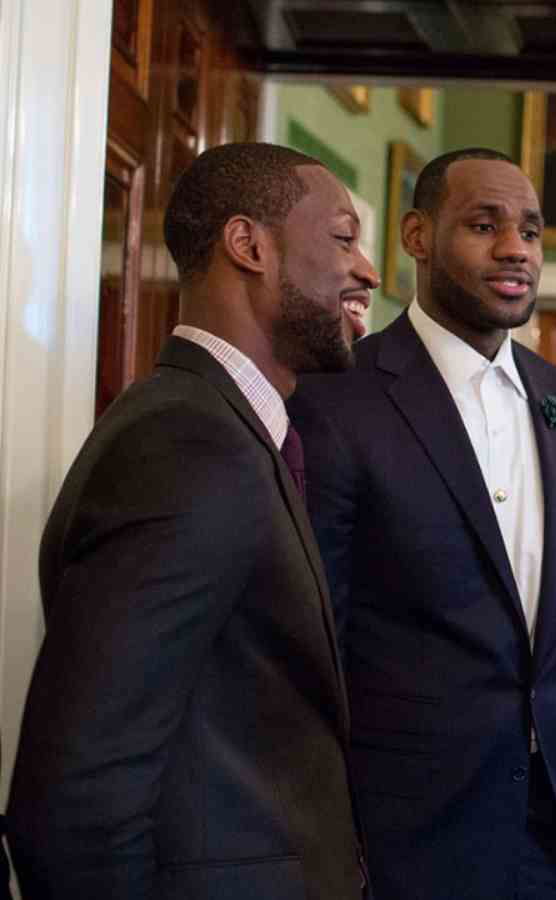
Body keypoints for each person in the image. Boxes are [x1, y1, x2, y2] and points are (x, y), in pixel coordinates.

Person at [7, 142, 377, 898]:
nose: (368, 271)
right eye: (343, 238)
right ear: (250, 246)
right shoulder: (191, 444)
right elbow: (79, 794)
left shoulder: (223, 426)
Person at [288, 147, 556, 900]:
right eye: (484, 224)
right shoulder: (335, 401)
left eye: (532, 231)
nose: (516, 247)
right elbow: (314, 641)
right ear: (417, 237)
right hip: (413, 838)